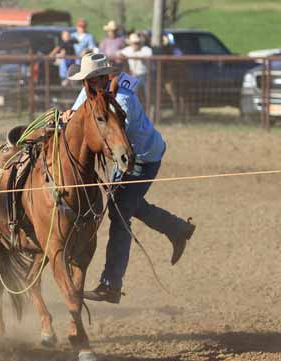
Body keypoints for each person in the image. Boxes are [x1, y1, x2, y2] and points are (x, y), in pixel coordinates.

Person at [61, 53, 195, 304]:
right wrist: (68, 116)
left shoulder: (121, 97)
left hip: (142, 157)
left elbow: (110, 131)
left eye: (89, 79)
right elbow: (80, 112)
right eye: (85, 81)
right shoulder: (93, 91)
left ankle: (111, 284)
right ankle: (177, 228)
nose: (86, 85)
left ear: (102, 78)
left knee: (120, 212)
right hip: (128, 156)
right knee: (125, 204)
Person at [118, 32, 152, 101]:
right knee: (125, 92)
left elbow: (149, 56)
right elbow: (118, 54)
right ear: (130, 43)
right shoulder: (127, 50)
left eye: (137, 43)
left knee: (149, 94)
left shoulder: (146, 49)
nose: (136, 44)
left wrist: (139, 57)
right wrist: (121, 56)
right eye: (134, 43)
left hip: (145, 75)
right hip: (132, 75)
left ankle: (151, 109)